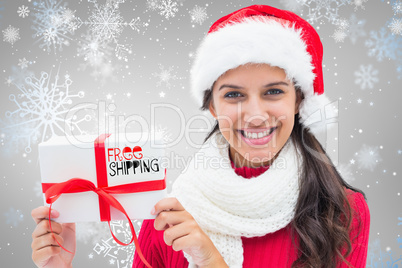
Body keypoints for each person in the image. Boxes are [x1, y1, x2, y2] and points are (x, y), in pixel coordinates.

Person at [31, 4, 370, 268]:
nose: (254, 114)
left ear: (299, 100)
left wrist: (210, 260)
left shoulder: (341, 213)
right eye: (233, 95)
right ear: (211, 106)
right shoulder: (168, 215)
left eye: (273, 92)